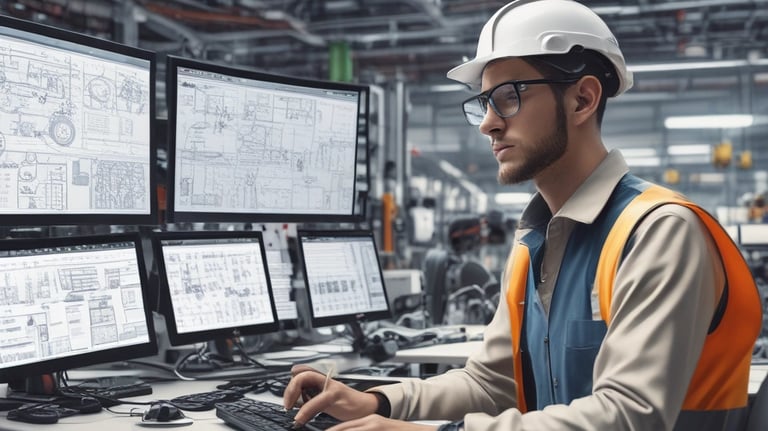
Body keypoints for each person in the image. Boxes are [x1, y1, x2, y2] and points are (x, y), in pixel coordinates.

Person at [283, 1, 763, 430]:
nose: (489, 123)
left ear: (583, 99)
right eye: (484, 103)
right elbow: (493, 384)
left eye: (509, 96)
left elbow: (628, 415)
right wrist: (378, 401)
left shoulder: (659, 233)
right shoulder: (534, 243)